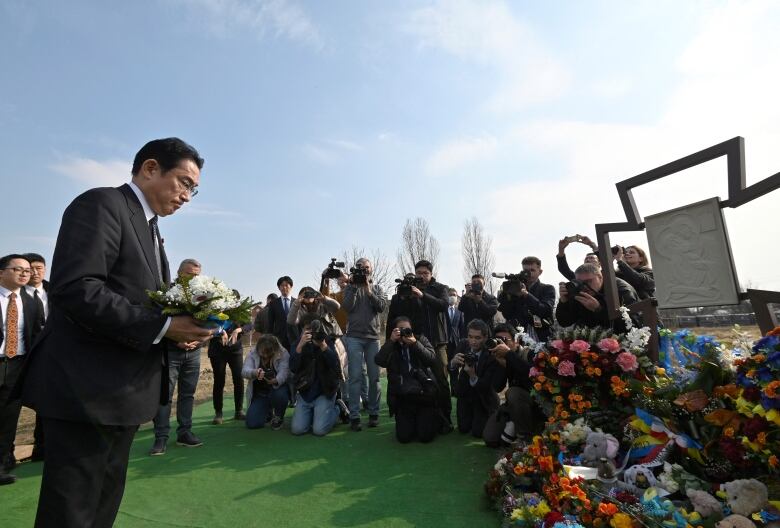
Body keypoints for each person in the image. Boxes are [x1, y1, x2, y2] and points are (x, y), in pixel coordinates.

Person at [21, 137, 214, 527]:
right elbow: (78, 288)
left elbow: (143, 303)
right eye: (183, 182)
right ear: (150, 168)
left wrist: (180, 328)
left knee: (101, 507)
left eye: (194, 189)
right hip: (87, 389)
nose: (187, 196)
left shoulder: (151, 228)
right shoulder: (102, 204)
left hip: (122, 392)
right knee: (72, 511)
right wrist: (163, 326)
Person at [149, 258, 208, 455]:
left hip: (194, 352)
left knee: (188, 394)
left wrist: (198, 340)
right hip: (171, 351)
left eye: (197, 275)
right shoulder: (168, 294)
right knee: (165, 395)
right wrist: (178, 340)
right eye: (190, 274)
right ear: (180, 274)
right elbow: (160, 321)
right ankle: (161, 437)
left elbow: (208, 324)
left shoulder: (204, 297)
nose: (194, 278)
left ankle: (185, 432)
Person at [0, 254, 43, 485]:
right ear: (1, 272)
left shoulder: (31, 300)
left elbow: (37, 334)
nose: (25, 273)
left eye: (27, 270)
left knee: (8, 419)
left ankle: (2, 465)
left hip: (17, 365)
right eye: (18, 269)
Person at [375, 317, 442, 443]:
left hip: (423, 395)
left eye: (407, 329)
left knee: (425, 437)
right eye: (400, 329)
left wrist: (415, 344)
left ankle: (432, 418)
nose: (404, 332)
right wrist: (391, 341)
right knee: (404, 438)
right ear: (395, 330)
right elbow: (379, 361)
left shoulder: (420, 339)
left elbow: (432, 360)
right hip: (403, 397)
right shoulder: (392, 345)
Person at [341, 258, 387, 431]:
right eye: (361, 267)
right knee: (355, 377)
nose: (364, 270)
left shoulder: (377, 288)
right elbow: (347, 307)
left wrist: (368, 291)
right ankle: (354, 415)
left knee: (374, 377)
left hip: (373, 338)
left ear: (372, 270)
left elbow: (381, 307)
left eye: (367, 267)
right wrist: (353, 288)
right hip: (354, 337)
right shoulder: (350, 288)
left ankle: (373, 413)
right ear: (356, 269)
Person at [483, 323, 542, 447]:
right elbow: (497, 386)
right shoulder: (500, 356)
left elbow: (532, 376)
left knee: (513, 392)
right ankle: (513, 423)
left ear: (516, 341)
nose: (501, 344)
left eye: (504, 340)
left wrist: (509, 355)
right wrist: (502, 365)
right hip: (514, 406)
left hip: (537, 405)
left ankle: (525, 438)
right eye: (498, 340)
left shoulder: (530, 353)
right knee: (490, 438)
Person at [449, 319, 506, 438]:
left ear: (485, 338)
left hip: (483, 398)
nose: (473, 341)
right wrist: (453, 363)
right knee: (463, 428)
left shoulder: (491, 353)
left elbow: (487, 386)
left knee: (478, 432)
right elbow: (451, 370)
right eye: (470, 337)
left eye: (477, 338)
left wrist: (472, 375)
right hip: (465, 395)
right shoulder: (463, 344)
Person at [289, 315, 344, 436]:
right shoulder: (297, 344)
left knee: (319, 430)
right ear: (302, 330)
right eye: (308, 329)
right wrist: (300, 347)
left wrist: (323, 346)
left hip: (325, 390)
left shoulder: (327, 340)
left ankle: (337, 409)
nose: (312, 333)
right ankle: (317, 414)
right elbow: (293, 368)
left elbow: (336, 365)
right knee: (297, 429)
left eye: (315, 329)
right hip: (306, 391)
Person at [555, 263, 640, 332]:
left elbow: (632, 325)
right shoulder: (579, 291)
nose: (585, 287)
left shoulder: (620, 290)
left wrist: (598, 309)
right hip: (591, 342)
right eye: (580, 282)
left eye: (588, 281)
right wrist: (563, 302)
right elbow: (565, 322)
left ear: (600, 277)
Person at [209, 289, 251, 425]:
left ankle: (239, 411)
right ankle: (218, 413)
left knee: (238, 379)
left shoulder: (240, 312)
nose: (232, 302)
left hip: (235, 350)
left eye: (235, 300)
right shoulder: (216, 310)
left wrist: (239, 329)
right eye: (230, 299)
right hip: (218, 349)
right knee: (219, 380)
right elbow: (207, 324)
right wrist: (220, 332)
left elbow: (250, 325)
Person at [23, 252, 49, 462]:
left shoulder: (55, 291)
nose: (34, 273)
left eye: (39, 268)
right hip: (22, 357)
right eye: (30, 269)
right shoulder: (16, 294)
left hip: (51, 357)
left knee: (47, 404)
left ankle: (42, 448)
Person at [497, 257, 556, 342]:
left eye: (532, 270)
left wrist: (526, 295)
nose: (529, 274)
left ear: (540, 272)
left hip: (540, 335)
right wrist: (508, 294)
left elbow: (545, 310)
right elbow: (507, 314)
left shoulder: (547, 288)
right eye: (525, 271)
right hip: (517, 336)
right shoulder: (515, 289)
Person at [242, 334, 290, 430]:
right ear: (258, 348)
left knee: (280, 395)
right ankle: (267, 412)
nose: (265, 357)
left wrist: (276, 380)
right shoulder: (252, 353)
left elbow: (285, 371)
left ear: (275, 349)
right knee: (252, 424)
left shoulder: (283, 353)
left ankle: (278, 416)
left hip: (277, 390)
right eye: (262, 354)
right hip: (261, 394)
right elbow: (244, 371)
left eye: (269, 354)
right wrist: (254, 372)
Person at [445, 287, 465, 395]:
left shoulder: (459, 312)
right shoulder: (443, 310)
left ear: (457, 297)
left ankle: (454, 390)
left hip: (456, 343)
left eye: (454, 295)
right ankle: (444, 390)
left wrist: (462, 341)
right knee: (444, 366)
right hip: (444, 343)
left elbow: (462, 328)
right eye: (451, 294)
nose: (452, 296)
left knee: (454, 367)